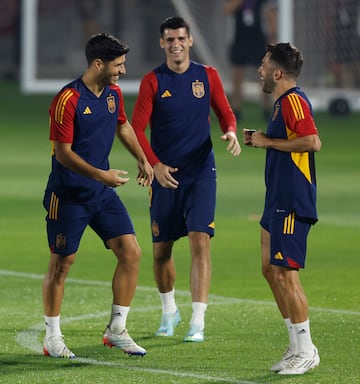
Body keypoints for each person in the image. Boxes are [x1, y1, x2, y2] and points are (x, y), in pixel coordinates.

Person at [42, 32, 153, 359]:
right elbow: (63, 154)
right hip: (69, 195)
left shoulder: (113, 93)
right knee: (62, 264)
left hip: (100, 194)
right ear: (98, 63)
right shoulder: (67, 100)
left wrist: (142, 158)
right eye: (118, 64)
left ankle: (117, 329)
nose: (123, 69)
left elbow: (123, 126)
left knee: (131, 252)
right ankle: (52, 337)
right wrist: (101, 174)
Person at [131, 17, 241, 342]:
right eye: (169, 39)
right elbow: (136, 129)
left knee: (199, 240)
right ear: (162, 44)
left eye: (181, 38)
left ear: (190, 40)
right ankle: (169, 312)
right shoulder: (152, 81)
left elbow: (225, 112)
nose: (176, 44)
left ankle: (198, 321)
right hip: (164, 176)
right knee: (161, 249)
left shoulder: (207, 76)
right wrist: (154, 165)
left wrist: (231, 132)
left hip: (201, 172)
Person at [243, 43, 321, 375]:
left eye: (263, 65)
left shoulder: (293, 101)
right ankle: (295, 345)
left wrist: (268, 142)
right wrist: (262, 138)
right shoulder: (279, 105)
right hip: (275, 199)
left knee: (287, 274)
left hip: (292, 200)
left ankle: (306, 350)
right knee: (269, 269)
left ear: (277, 73)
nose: (259, 70)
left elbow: (312, 141)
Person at [224, 0, 277, 121]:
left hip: (258, 38)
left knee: (264, 74)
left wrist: (273, 37)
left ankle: (266, 109)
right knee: (237, 75)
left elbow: (271, 13)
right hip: (239, 38)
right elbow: (227, 10)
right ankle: (236, 109)